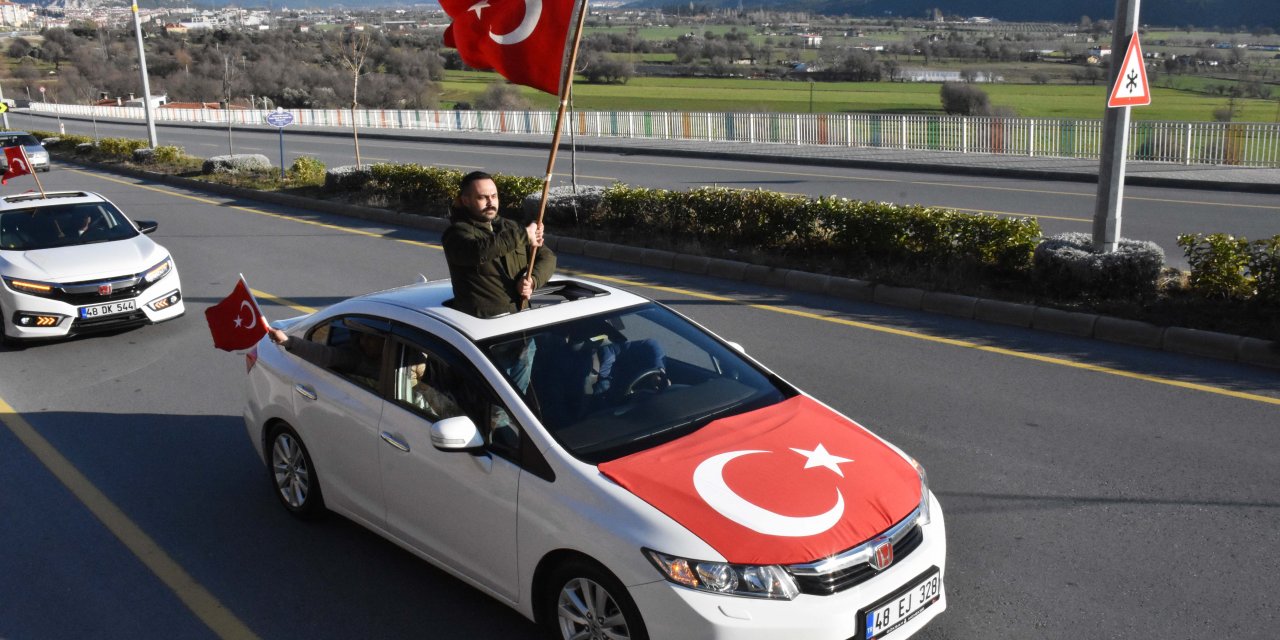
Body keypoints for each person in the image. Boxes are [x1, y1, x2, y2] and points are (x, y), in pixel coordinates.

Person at [441, 171, 556, 319]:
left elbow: (547, 257)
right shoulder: (456, 233)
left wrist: (533, 280)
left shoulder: (510, 227)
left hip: (522, 319)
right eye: (482, 197)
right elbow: (478, 251)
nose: (491, 202)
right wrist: (524, 235)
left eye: (494, 196)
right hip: (485, 327)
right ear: (466, 200)